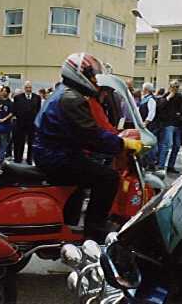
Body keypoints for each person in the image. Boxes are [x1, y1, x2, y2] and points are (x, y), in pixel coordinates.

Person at [33, 52, 142, 242]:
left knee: (87, 177)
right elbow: (91, 134)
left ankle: (71, 223)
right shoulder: (72, 99)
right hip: (58, 157)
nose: (94, 80)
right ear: (78, 73)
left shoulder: (66, 93)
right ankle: (95, 230)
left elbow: (86, 133)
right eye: (92, 75)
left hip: (54, 152)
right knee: (108, 178)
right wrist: (122, 143)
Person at [156, 80, 182, 175]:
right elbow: (160, 106)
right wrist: (168, 98)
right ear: (170, 87)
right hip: (168, 124)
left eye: (177, 87)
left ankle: (171, 166)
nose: (175, 88)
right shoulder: (165, 96)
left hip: (177, 124)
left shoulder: (180, 97)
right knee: (167, 144)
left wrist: (179, 114)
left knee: (177, 146)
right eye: (174, 86)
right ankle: (161, 165)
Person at [12, 81, 42, 164]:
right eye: (27, 87)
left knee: (31, 142)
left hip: (32, 124)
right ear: (24, 88)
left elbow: (38, 110)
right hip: (21, 124)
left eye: (30, 87)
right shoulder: (18, 97)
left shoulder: (37, 98)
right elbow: (15, 110)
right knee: (19, 142)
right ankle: (18, 158)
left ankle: (29, 159)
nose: (28, 89)